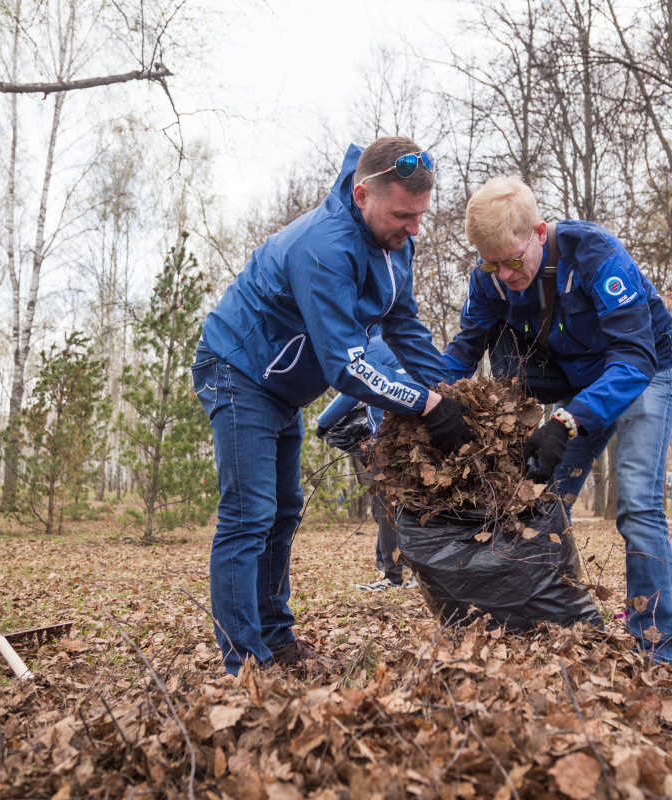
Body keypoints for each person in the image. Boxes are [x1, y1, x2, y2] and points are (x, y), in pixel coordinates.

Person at [193, 137, 472, 675]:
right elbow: (347, 365)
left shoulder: (394, 243)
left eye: (420, 216)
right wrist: (426, 405)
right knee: (249, 513)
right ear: (362, 192)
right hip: (237, 369)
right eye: (402, 215)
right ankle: (244, 663)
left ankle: (276, 639)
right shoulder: (324, 247)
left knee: (284, 509)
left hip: (282, 386)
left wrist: (450, 392)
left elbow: (404, 326)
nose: (414, 228)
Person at [442, 176, 672, 662]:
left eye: (513, 260)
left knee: (637, 503)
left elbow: (633, 359)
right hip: (572, 377)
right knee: (543, 498)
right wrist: (428, 401)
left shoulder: (594, 254)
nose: (505, 275)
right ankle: (555, 622)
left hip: (642, 369)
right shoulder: (489, 277)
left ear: (538, 231)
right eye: (491, 264)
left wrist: (566, 422)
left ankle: (655, 646)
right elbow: (464, 350)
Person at [314, 335, 417, 592]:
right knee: (407, 506)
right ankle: (413, 572)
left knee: (385, 508)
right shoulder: (402, 343)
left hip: (389, 437)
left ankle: (391, 577)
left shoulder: (374, 346)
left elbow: (351, 391)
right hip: (414, 436)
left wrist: (323, 423)